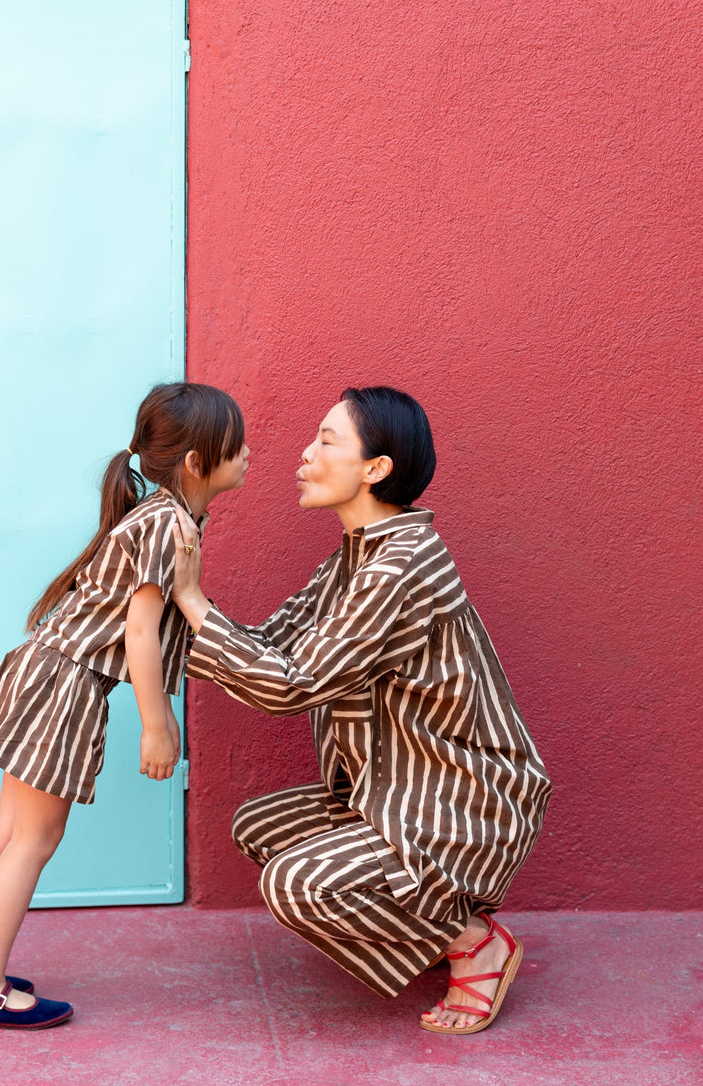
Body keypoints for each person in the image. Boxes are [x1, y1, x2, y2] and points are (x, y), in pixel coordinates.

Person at [170, 386, 551, 1036]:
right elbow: (271, 645)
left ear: (375, 469)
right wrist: (159, 628)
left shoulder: (397, 567)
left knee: (297, 884)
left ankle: (473, 942)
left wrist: (194, 601)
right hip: (390, 794)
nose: (303, 455)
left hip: (459, 802)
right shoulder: (356, 558)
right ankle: (430, 929)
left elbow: (292, 685)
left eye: (325, 441)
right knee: (260, 826)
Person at [0, 382, 249, 1030]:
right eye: (234, 445)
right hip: (66, 685)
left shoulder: (161, 517)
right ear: (195, 461)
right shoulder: (170, 524)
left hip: (42, 668)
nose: (247, 453)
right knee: (33, 842)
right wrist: (159, 726)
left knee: (8, 834)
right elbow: (139, 632)